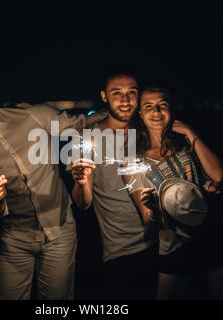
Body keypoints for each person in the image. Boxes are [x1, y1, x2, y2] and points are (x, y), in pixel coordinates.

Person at [0, 82, 105, 300]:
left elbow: (80, 123)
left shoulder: (31, 115)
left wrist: (126, 116)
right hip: (14, 241)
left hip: (60, 231)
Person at [125, 84, 223, 299]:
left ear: (172, 108)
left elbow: (218, 175)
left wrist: (191, 133)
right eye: (149, 106)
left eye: (163, 105)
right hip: (173, 248)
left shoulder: (186, 143)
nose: (156, 112)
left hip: (215, 238)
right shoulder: (133, 161)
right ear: (140, 112)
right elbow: (148, 220)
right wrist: (153, 208)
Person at [70, 68, 158, 299]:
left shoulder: (150, 129)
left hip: (165, 241)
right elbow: (83, 203)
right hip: (123, 250)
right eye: (116, 92)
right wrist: (81, 182)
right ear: (104, 96)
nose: (126, 100)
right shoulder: (87, 137)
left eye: (132, 92)